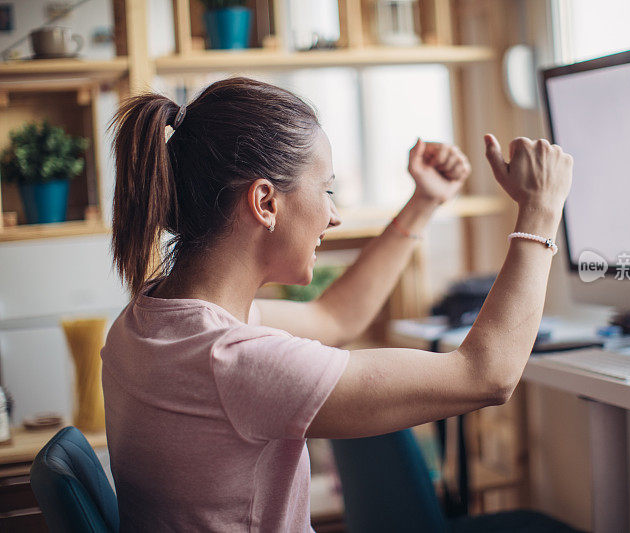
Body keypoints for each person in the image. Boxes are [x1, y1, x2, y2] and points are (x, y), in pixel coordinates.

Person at [101, 76, 572, 532]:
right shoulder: (234, 361)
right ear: (265, 202)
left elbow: (334, 318)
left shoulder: (150, 322)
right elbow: (486, 376)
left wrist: (423, 203)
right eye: (326, 189)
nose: (334, 214)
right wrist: (542, 210)